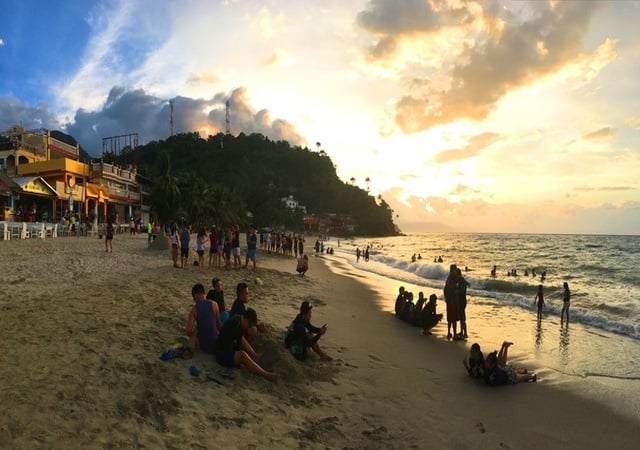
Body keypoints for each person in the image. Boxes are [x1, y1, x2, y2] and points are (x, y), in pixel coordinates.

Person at [214, 309, 276, 382]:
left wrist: (251, 353)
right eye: (249, 325)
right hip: (223, 357)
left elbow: (240, 340)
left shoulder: (237, 319)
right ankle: (265, 374)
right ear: (246, 320)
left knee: (243, 348)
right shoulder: (236, 324)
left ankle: (254, 356)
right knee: (243, 355)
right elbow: (238, 345)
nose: (247, 328)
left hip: (222, 351)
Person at [186, 283, 221, 353]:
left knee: (197, 328)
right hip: (215, 346)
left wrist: (196, 334)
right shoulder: (214, 304)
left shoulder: (194, 309)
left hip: (203, 347)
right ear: (204, 293)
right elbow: (218, 325)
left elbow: (188, 331)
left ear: (195, 295)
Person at [443, 264, 459, 340]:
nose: (456, 271)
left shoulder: (449, 278)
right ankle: (454, 334)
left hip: (449, 301)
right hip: (452, 301)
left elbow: (445, 290)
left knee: (450, 318)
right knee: (453, 319)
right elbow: (448, 289)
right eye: (455, 270)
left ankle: (449, 332)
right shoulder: (452, 279)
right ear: (452, 270)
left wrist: (446, 298)